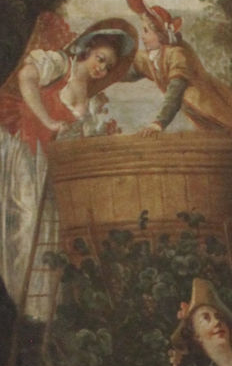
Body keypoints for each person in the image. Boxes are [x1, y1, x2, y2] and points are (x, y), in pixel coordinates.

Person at [0, 17, 136, 312]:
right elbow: (26, 77)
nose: (102, 68)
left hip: (51, 166)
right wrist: (48, 120)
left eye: (108, 66)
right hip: (27, 149)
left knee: (50, 230)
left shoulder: (92, 98)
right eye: (101, 58)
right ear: (86, 49)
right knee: (26, 218)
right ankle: (16, 299)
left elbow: (81, 138)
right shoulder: (61, 64)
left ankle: (38, 309)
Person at [121, 0, 232, 134]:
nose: (142, 36)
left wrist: (159, 123)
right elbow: (132, 70)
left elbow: (175, 92)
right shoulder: (154, 56)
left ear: (161, 35)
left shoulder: (178, 55)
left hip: (214, 107)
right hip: (198, 113)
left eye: (146, 31)